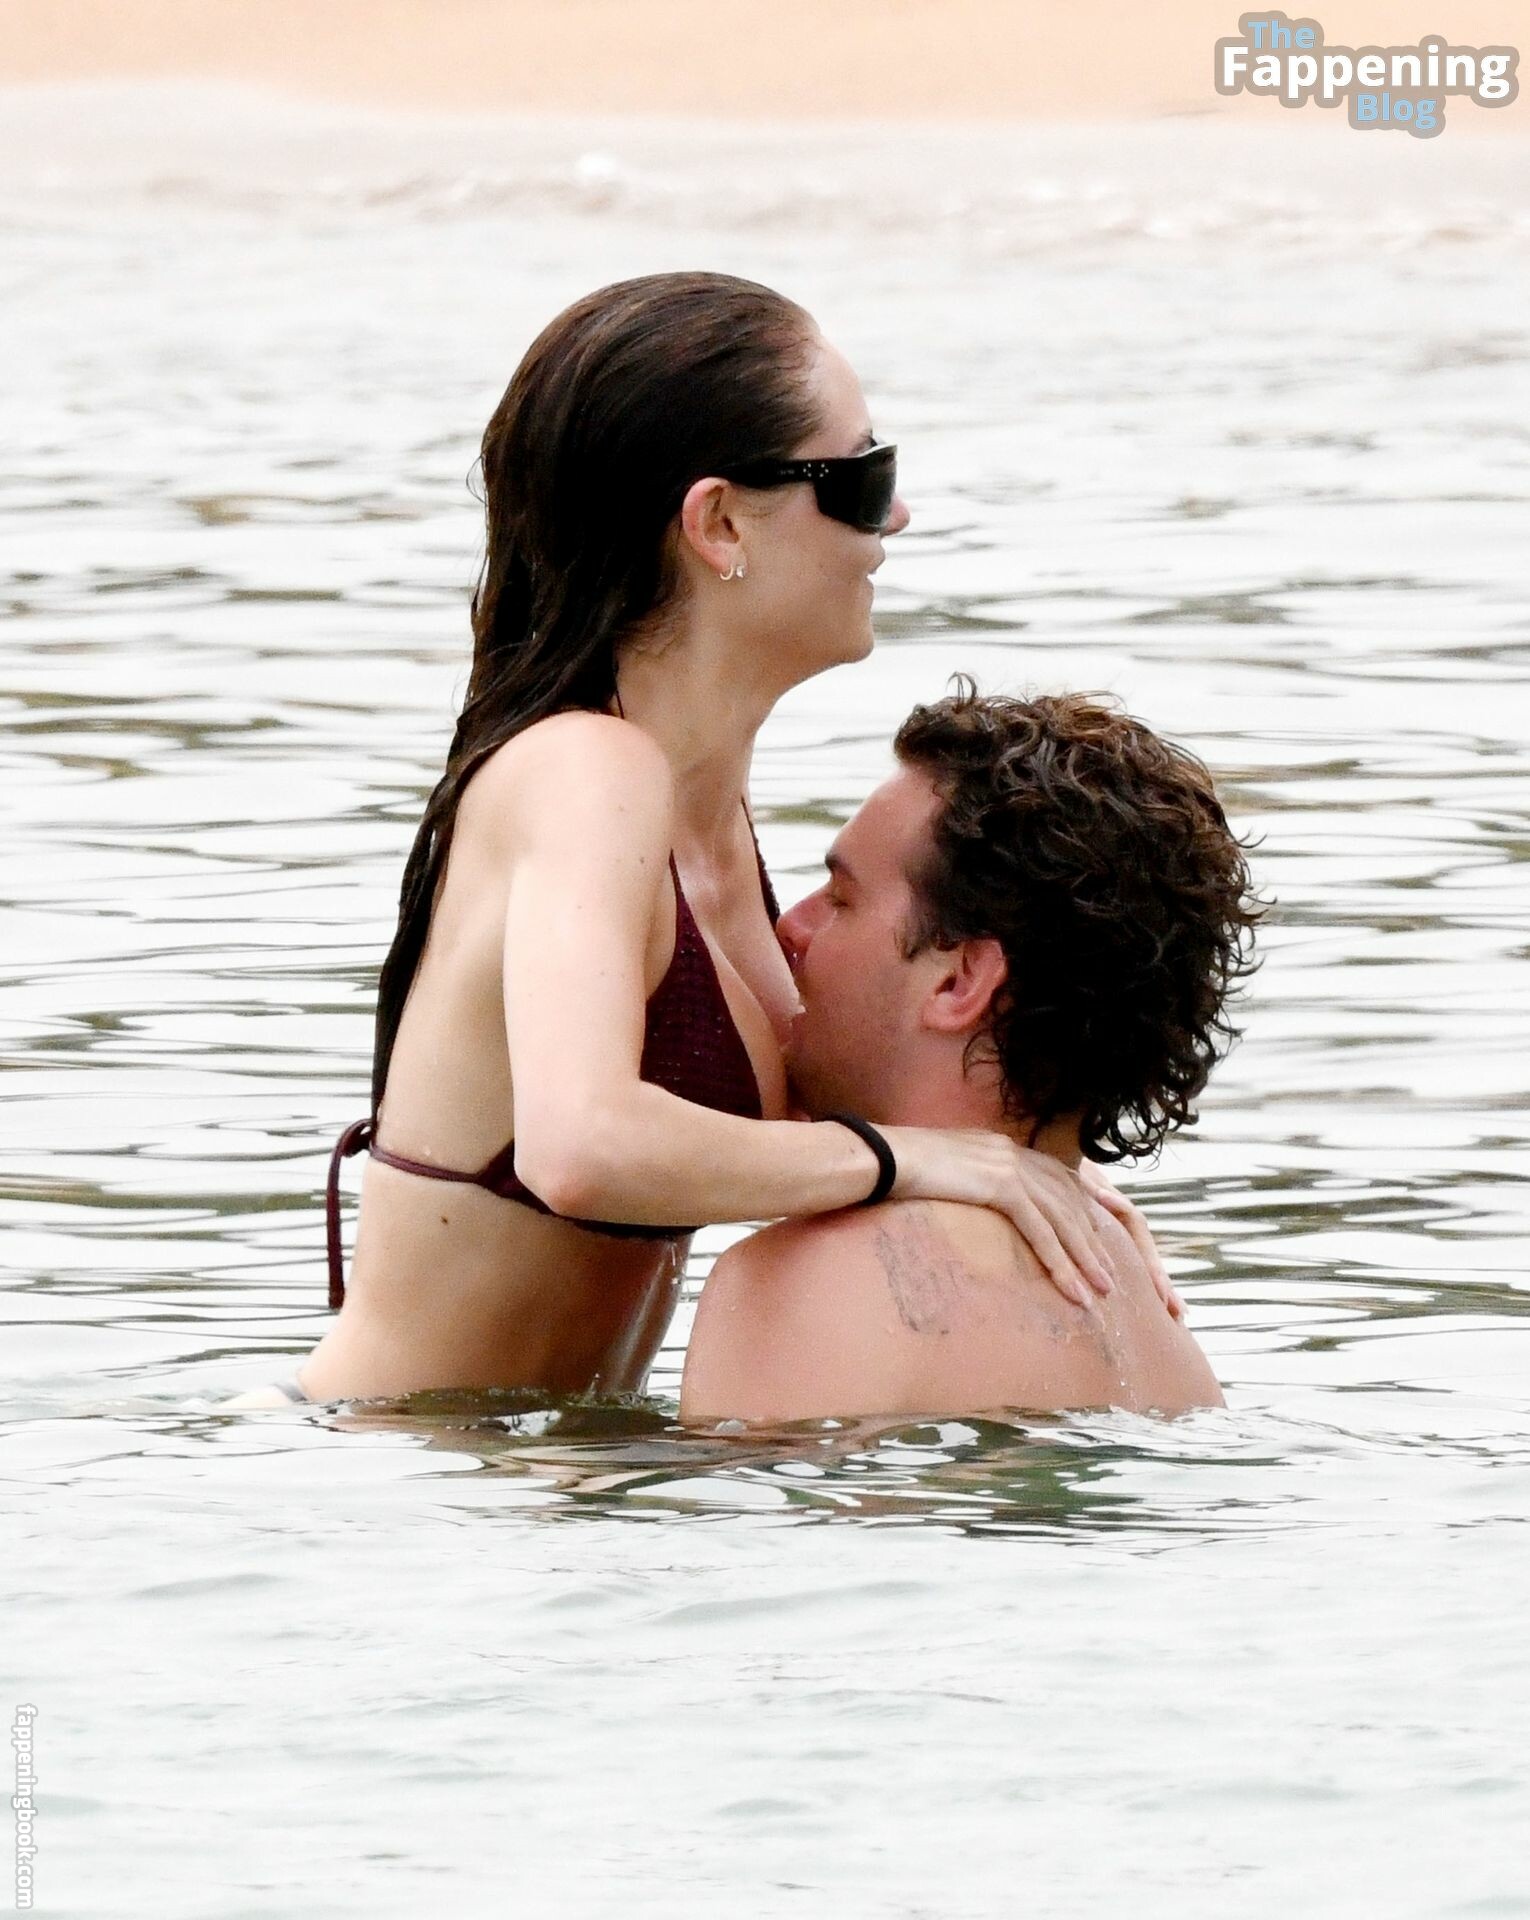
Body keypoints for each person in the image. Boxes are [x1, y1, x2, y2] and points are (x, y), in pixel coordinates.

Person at [234, 273, 1126, 1409]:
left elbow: (817, 1127)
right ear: (718, 524)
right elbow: (583, 1146)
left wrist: (1035, 1181)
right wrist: (913, 1160)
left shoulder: (706, 806)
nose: (896, 517)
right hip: (393, 1466)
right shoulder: (584, 774)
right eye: (862, 479)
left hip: (537, 1471)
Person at [680, 686, 1262, 1424]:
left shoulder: (809, 1285)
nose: (789, 927)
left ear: (959, 981)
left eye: (841, 899)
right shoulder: (1160, 1332)